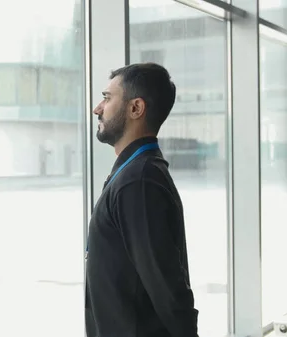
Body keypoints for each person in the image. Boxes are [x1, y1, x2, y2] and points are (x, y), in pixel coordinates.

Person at [85, 63, 199, 337]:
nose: (97, 108)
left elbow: (168, 289)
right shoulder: (136, 173)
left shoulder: (139, 181)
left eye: (107, 98)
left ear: (136, 108)